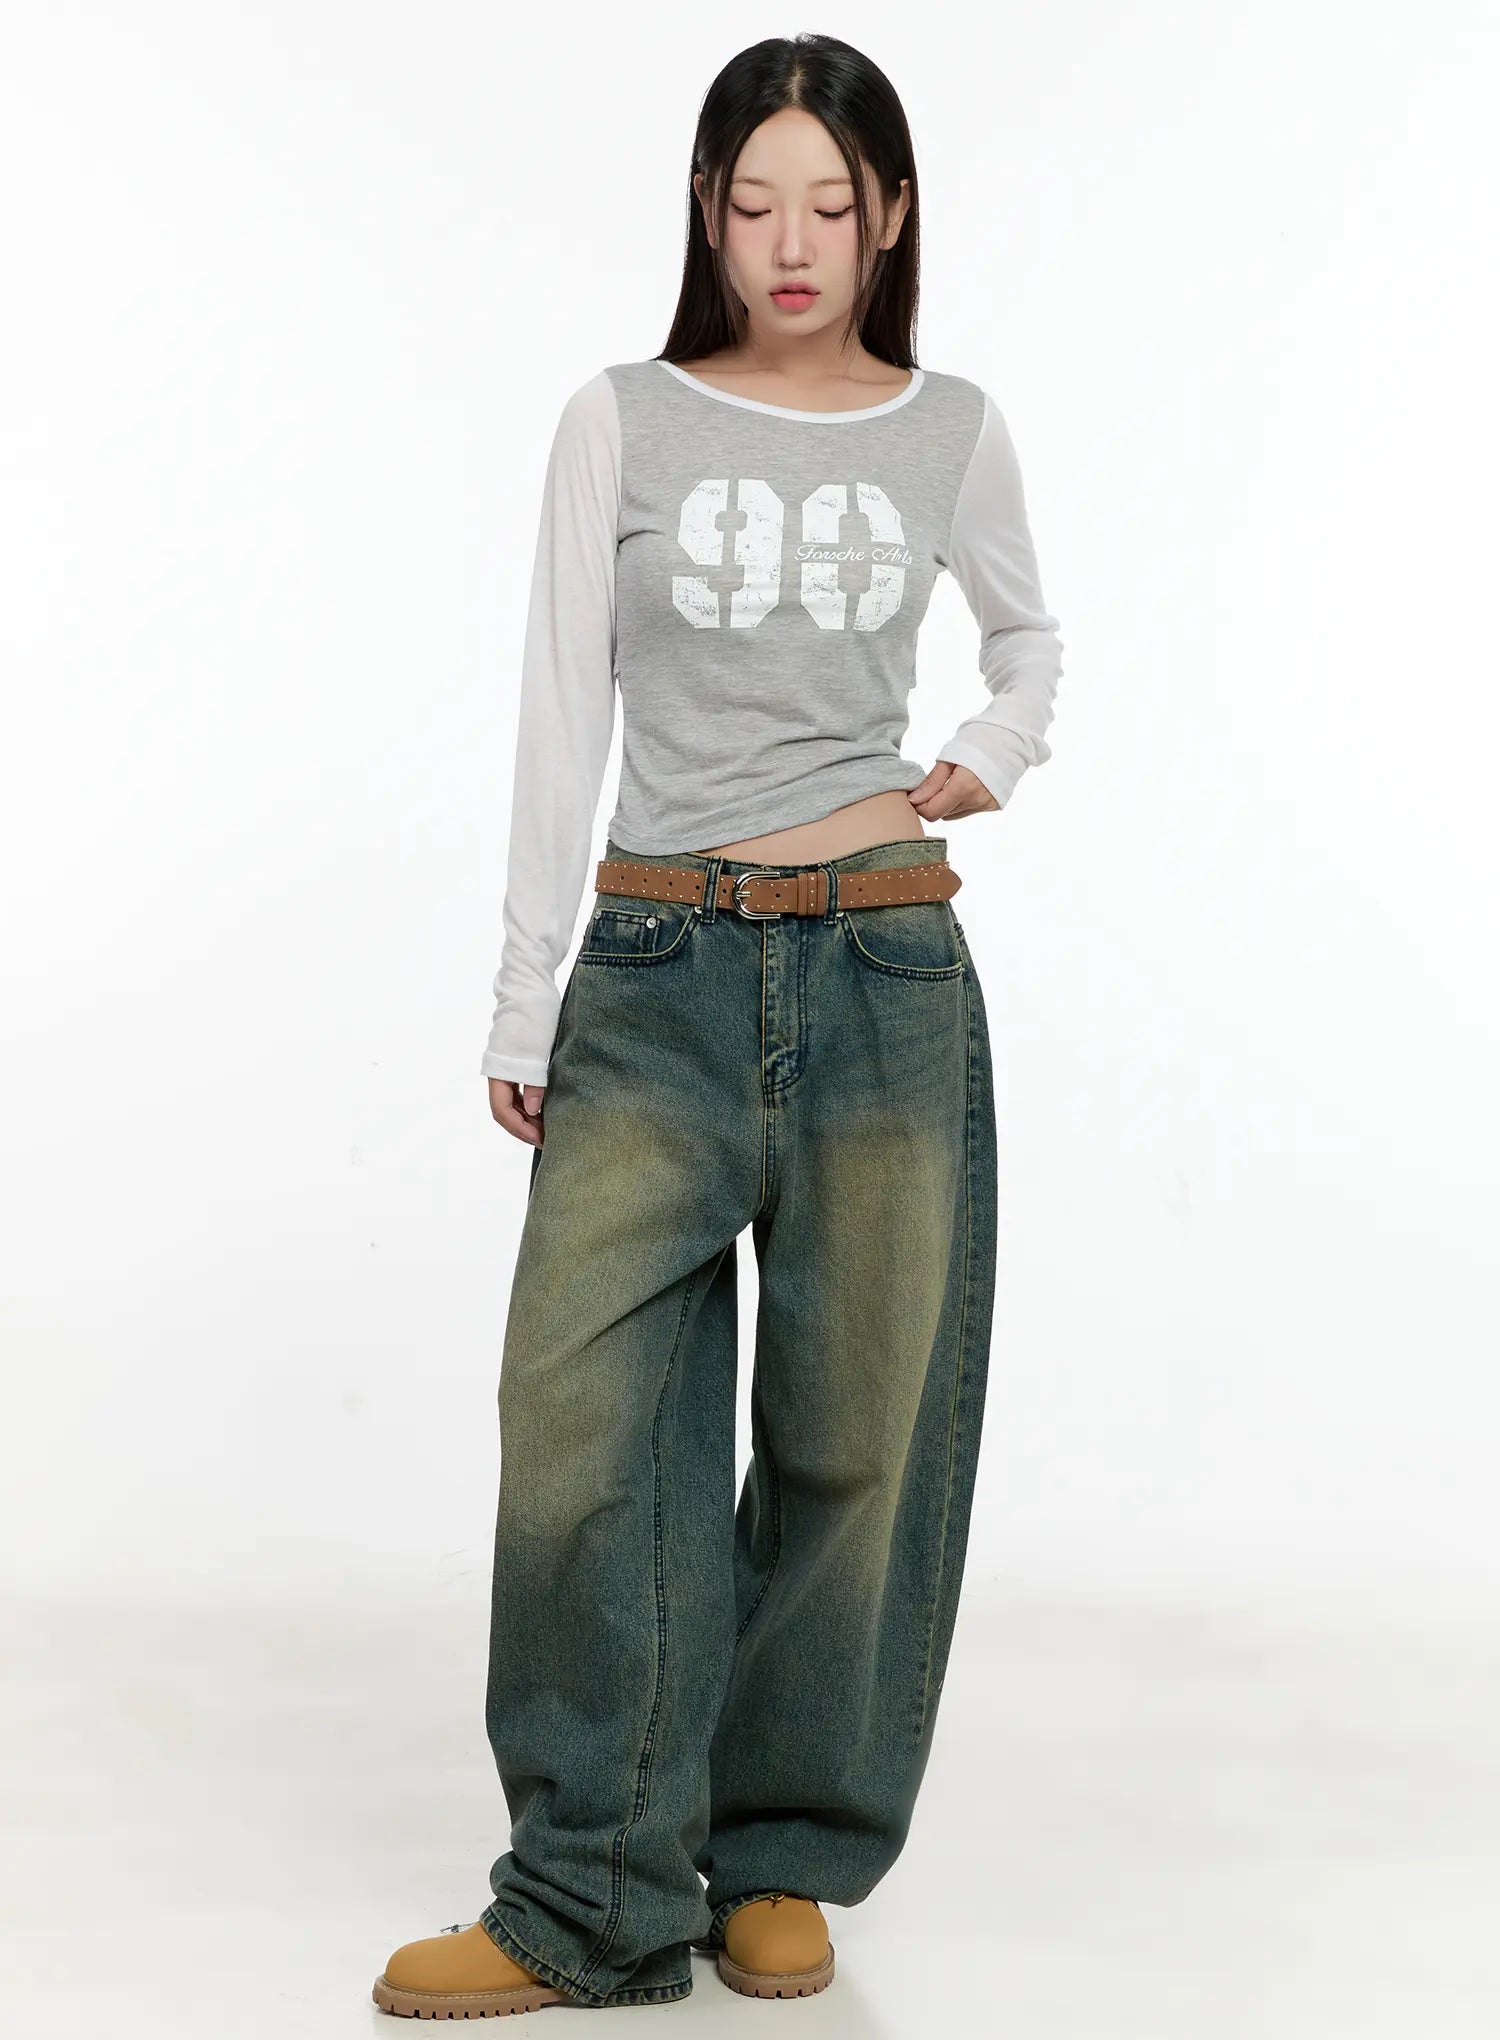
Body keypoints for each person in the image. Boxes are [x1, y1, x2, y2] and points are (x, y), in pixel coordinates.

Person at [372, 30, 1064, 2019]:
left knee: (857, 1436)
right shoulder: (621, 420)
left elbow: (1030, 635)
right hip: (661, 964)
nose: (791, 241)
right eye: (754, 201)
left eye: (831, 203)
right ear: (705, 210)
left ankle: (775, 1855)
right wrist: (527, 989)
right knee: (582, 1433)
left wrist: (995, 748)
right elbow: (559, 709)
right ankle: (588, 1887)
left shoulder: (952, 430)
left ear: (891, 216)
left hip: (885, 969)